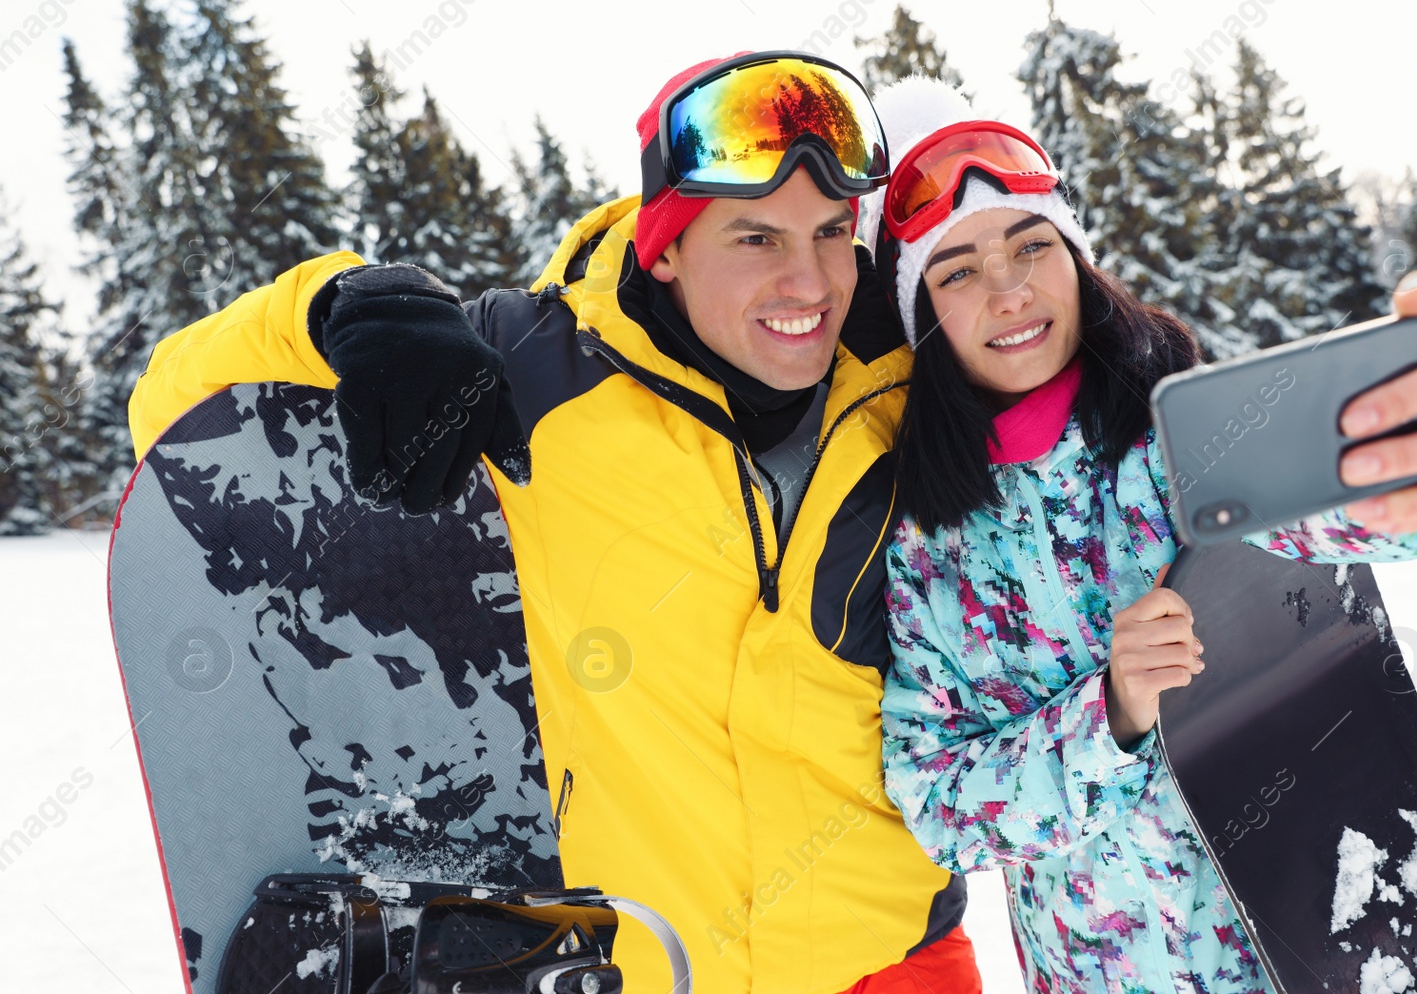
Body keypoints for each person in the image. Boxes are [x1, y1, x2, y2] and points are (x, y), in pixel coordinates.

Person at [127, 52, 979, 994]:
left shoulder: (918, 373)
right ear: (664, 245)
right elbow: (171, 406)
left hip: (900, 958)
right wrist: (334, 308)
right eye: (755, 239)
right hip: (652, 966)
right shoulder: (530, 378)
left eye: (829, 231)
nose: (810, 282)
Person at [862, 77, 1417, 993]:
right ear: (920, 317)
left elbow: (1339, 509)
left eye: (1033, 245)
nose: (1008, 289)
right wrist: (1110, 711)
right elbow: (936, 803)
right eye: (956, 271)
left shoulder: (1187, 437)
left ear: (1076, 259)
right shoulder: (925, 545)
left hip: (1348, 943)